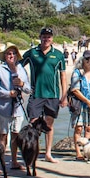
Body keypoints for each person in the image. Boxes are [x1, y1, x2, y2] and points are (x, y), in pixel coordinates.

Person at [22, 27, 69, 164]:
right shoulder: (32, 53)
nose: (46, 39)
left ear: (52, 38)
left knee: (49, 124)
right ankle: (32, 153)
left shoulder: (58, 55)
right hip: (36, 94)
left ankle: (48, 153)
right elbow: (19, 67)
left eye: (48, 36)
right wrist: (21, 85)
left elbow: (63, 77)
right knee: (33, 124)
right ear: (40, 37)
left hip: (53, 95)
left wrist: (64, 96)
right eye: (44, 36)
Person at [0, 43, 31, 170]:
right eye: (9, 53)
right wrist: (9, 94)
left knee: (16, 134)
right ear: (5, 56)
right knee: (3, 135)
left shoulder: (21, 69)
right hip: (3, 108)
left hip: (18, 108)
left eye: (14, 54)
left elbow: (28, 89)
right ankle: (2, 162)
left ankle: (14, 161)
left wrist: (21, 83)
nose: (11, 56)